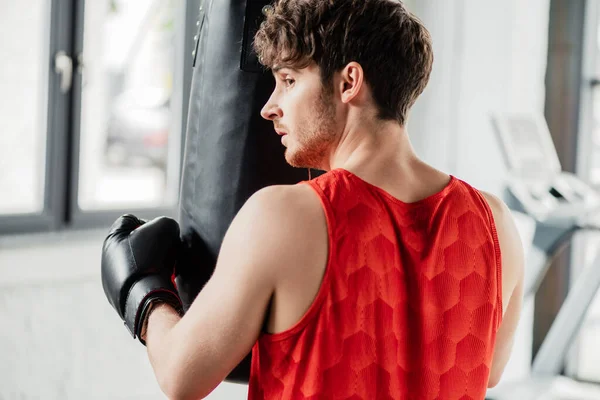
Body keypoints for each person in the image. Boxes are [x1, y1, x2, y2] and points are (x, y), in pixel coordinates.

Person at [101, 0, 525, 398]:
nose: (270, 107)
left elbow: (181, 376)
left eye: (288, 80)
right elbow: (489, 370)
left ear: (349, 83)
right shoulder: (498, 224)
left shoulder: (284, 216)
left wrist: (144, 291)